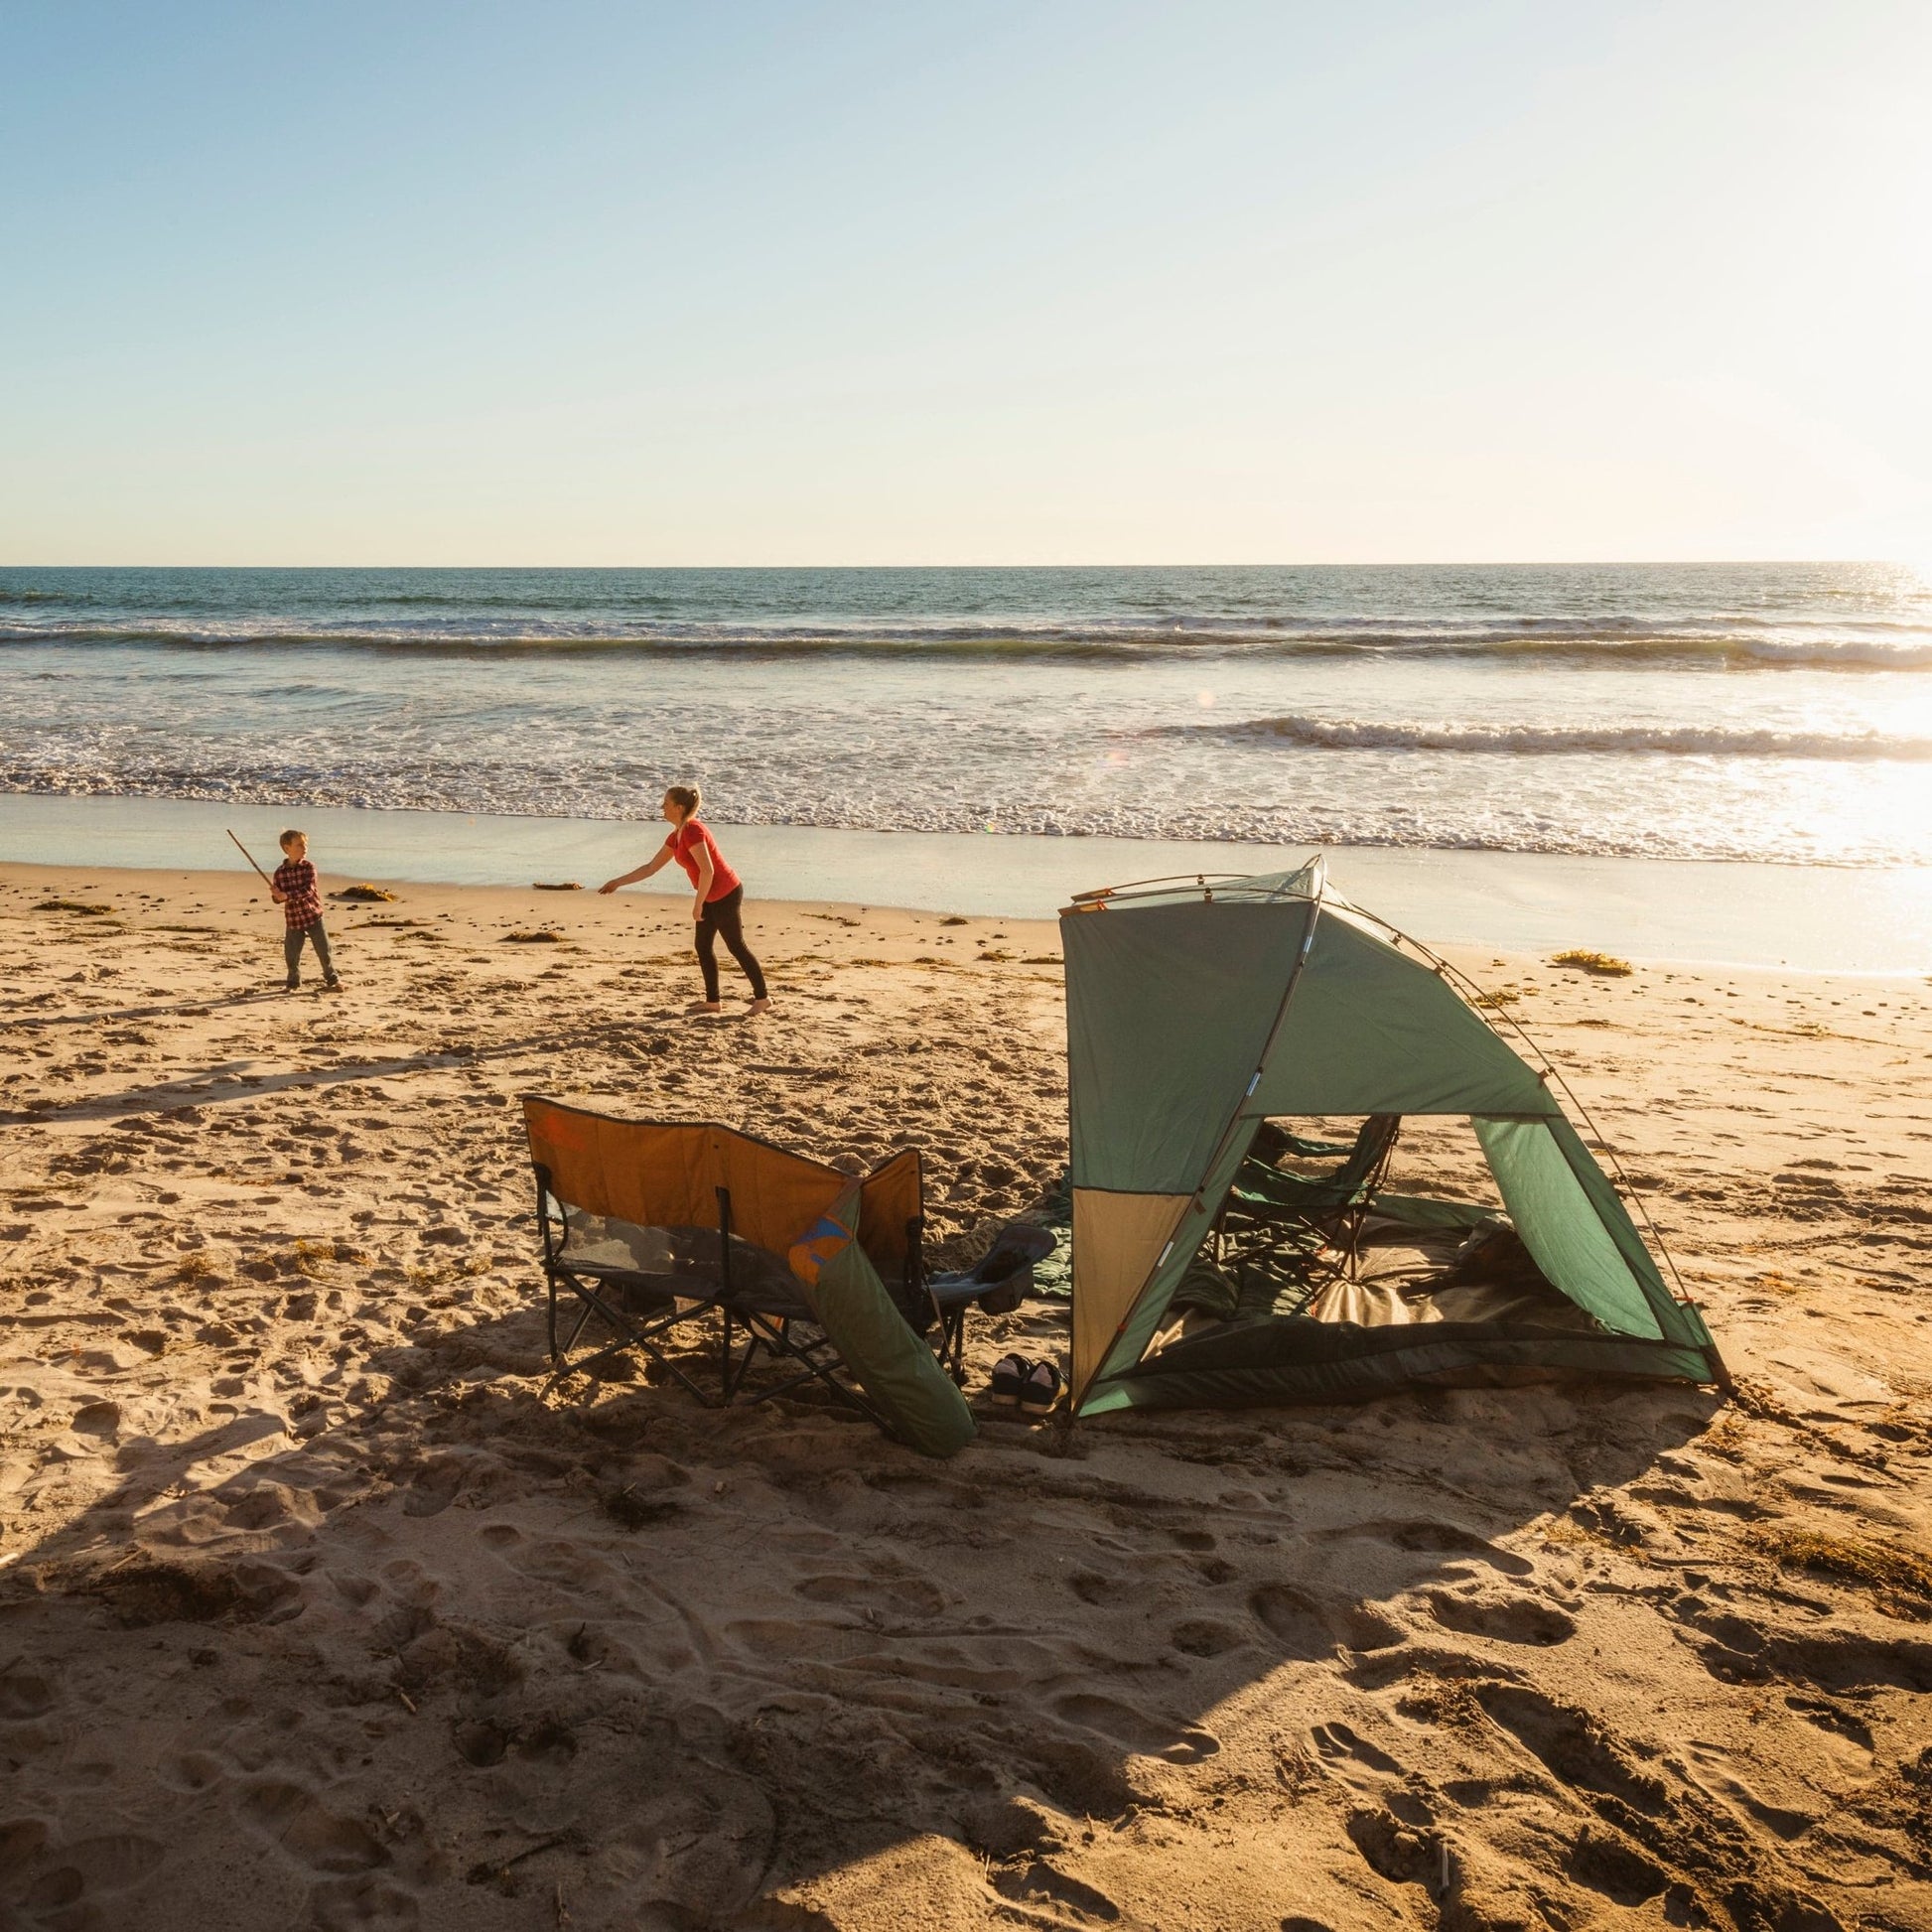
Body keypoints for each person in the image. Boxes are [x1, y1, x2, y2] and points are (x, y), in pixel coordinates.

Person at [599, 786, 770, 1016]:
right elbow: (651, 867)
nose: (662, 808)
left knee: (736, 946)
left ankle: (762, 998)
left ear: (679, 808)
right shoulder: (676, 835)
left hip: (725, 893)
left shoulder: (693, 831)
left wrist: (698, 904)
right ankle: (713, 1002)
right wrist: (618, 882)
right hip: (708, 894)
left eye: (666, 804)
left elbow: (707, 870)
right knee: (702, 946)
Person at [270, 829, 341, 994]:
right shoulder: (280, 872)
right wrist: (277, 896)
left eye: (305, 844)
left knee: (324, 950)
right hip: (294, 919)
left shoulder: (309, 867)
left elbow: (308, 890)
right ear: (287, 848)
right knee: (291, 954)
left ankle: (332, 979)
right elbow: (277, 898)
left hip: (313, 915)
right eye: (300, 845)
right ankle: (293, 982)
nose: (305, 848)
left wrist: (286, 895)